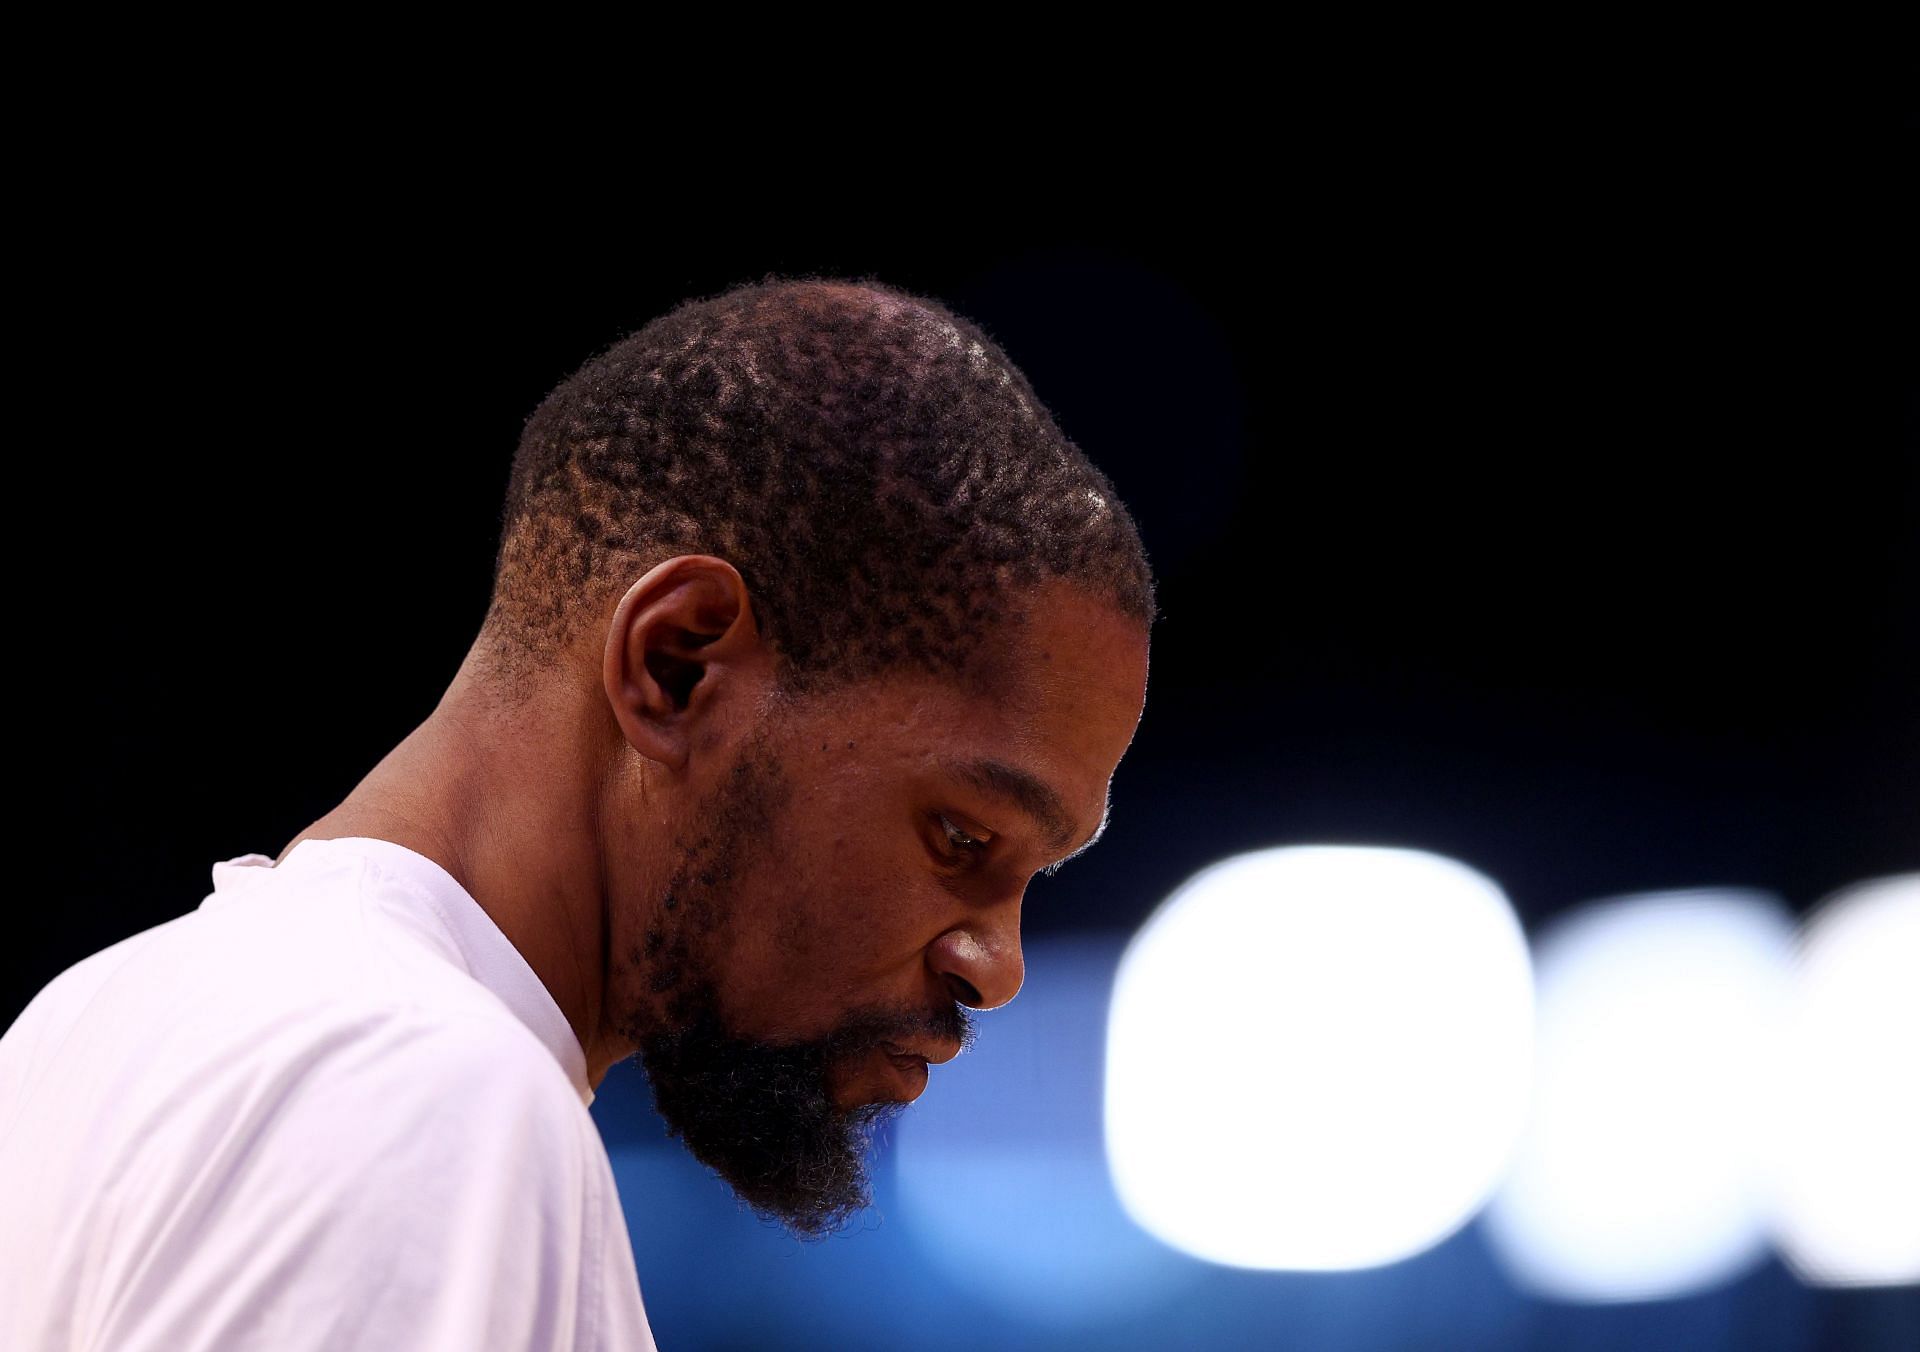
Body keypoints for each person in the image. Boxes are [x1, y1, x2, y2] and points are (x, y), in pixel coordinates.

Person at [0, 274, 1157, 1350]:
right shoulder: (424, 1091)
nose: (997, 965)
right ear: (679, 664)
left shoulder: (92, 1019)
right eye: (963, 838)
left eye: (1029, 877)